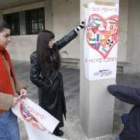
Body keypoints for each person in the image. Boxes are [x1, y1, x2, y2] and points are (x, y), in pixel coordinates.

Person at [30, 21, 85, 136]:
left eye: (54, 40)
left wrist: (77, 29)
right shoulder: (35, 56)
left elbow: (65, 40)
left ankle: (56, 128)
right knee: (49, 110)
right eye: (51, 40)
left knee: (58, 107)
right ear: (45, 41)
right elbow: (34, 77)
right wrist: (47, 86)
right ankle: (49, 130)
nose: (54, 42)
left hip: (58, 83)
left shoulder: (54, 49)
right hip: (48, 87)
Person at [0, 20, 27, 140]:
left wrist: (20, 88)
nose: (9, 39)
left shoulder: (3, 53)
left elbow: (10, 77)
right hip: (2, 113)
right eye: (6, 36)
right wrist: (9, 100)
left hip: (10, 107)